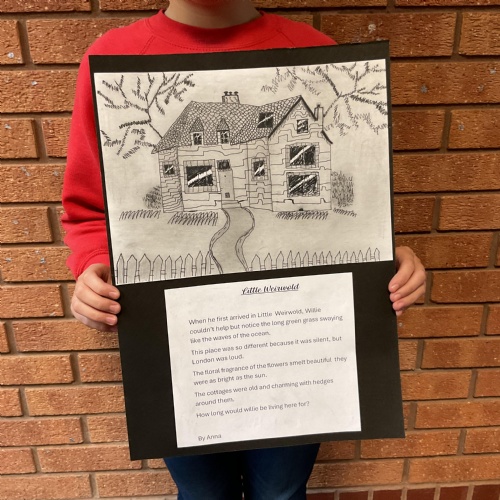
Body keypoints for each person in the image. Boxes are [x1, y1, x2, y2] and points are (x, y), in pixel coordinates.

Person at [62, 1, 426, 498]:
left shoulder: (317, 58)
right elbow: (87, 208)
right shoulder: (114, 60)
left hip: (294, 349)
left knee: (281, 492)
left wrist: (384, 256)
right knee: (202, 494)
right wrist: (91, 267)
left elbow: (361, 207)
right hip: (182, 351)